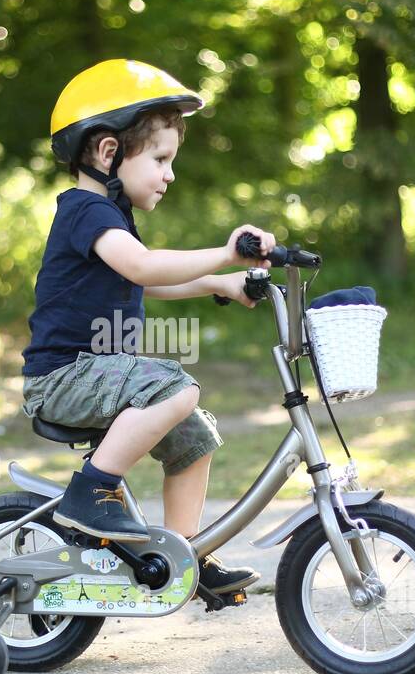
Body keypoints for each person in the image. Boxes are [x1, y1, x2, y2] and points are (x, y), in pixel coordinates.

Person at [20, 59, 275, 595]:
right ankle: (91, 492)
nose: (170, 173)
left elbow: (147, 283)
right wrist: (226, 254)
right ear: (108, 152)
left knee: (194, 437)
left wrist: (218, 284)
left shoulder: (111, 219)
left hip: (94, 373)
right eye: (160, 158)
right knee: (174, 385)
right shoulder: (85, 212)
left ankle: (186, 558)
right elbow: (143, 266)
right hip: (63, 377)